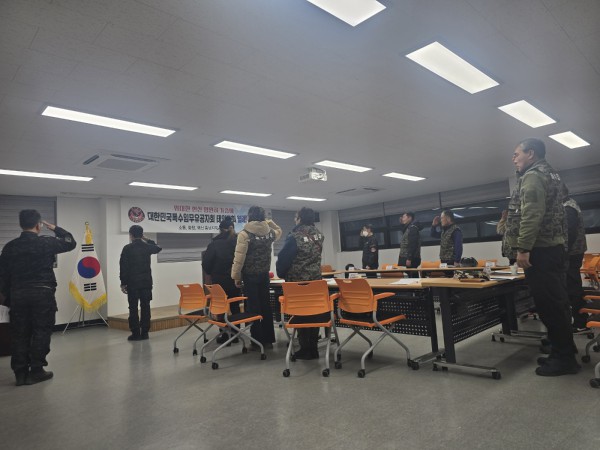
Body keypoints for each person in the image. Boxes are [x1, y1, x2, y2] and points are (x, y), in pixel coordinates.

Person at [505, 138, 579, 376]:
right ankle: (562, 351)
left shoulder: (534, 176)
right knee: (557, 303)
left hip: (541, 250)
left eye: (517, 154)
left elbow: (532, 214)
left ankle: (564, 359)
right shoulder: (552, 174)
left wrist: (523, 248)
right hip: (553, 248)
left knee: (550, 305)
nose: (513, 158)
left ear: (531, 154)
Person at [0, 209, 76, 386]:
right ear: (38, 225)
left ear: (21, 224)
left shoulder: (10, 247)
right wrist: (55, 228)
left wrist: (8, 296)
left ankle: (20, 373)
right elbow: (70, 242)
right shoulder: (46, 243)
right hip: (43, 294)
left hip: (18, 295)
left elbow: (2, 275)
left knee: (19, 333)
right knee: (41, 331)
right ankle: (36, 370)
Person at [276, 207, 325, 359]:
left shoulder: (294, 236)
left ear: (300, 218)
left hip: (298, 283)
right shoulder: (319, 234)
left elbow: (284, 259)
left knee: (301, 314)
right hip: (316, 281)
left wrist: (281, 273)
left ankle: (305, 349)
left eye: (296, 217)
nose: (294, 219)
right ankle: (313, 348)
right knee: (314, 313)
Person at [231, 206, 282, 349]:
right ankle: (268, 340)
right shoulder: (270, 233)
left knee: (253, 308)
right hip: (264, 275)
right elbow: (279, 230)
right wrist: (270, 222)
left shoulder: (244, 234)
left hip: (249, 276)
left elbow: (239, 258)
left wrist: (236, 276)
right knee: (266, 306)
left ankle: (256, 341)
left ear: (249, 216)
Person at [119, 225, 162, 341]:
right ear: (141, 235)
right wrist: (146, 239)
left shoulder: (127, 248)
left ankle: (135, 333)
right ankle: (145, 333)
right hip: (146, 283)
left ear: (131, 235)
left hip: (132, 283)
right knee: (145, 307)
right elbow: (158, 248)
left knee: (133, 308)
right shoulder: (147, 247)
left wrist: (123, 283)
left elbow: (123, 267)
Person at [202, 216, 240, 344]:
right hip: (235, 281)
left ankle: (224, 334)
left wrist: (212, 272)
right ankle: (235, 334)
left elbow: (206, 263)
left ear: (220, 230)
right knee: (235, 306)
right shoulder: (238, 242)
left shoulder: (214, 244)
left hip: (219, 282)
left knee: (221, 308)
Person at [562, 188, 588, 333]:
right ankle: (581, 319)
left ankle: (580, 322)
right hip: (575, 251)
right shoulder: (571, 204)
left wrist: (563, 252)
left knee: (573, 287)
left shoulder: (568, 208)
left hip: (572, 253)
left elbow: (569, 233)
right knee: (574, 286)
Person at [397, 212, 421, 278]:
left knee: (413, 276)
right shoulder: (409, 228)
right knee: (410, 275)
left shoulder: (413, 228)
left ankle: (416, 285)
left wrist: (409, 258)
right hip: (409, 257)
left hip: (412, 258)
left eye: (404, 217)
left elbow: (412, 244)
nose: (402, 219)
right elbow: (404, 230)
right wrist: (401, 224)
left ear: (409, 218)